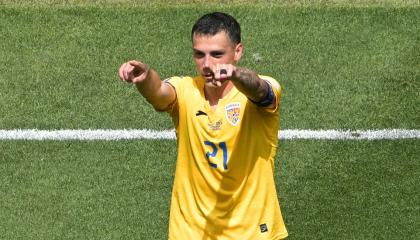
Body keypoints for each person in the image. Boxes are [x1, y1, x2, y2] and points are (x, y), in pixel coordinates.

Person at [118, 12, 288, 240]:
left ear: (238, 51)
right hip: (190, 231)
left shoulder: (260, 91)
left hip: (250, 231)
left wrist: (235, 74)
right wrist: (145, 76)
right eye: (199, 54)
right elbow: (159, 93)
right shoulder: (186, 90)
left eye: (217, 54)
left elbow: (260, 90)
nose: (207, 64)